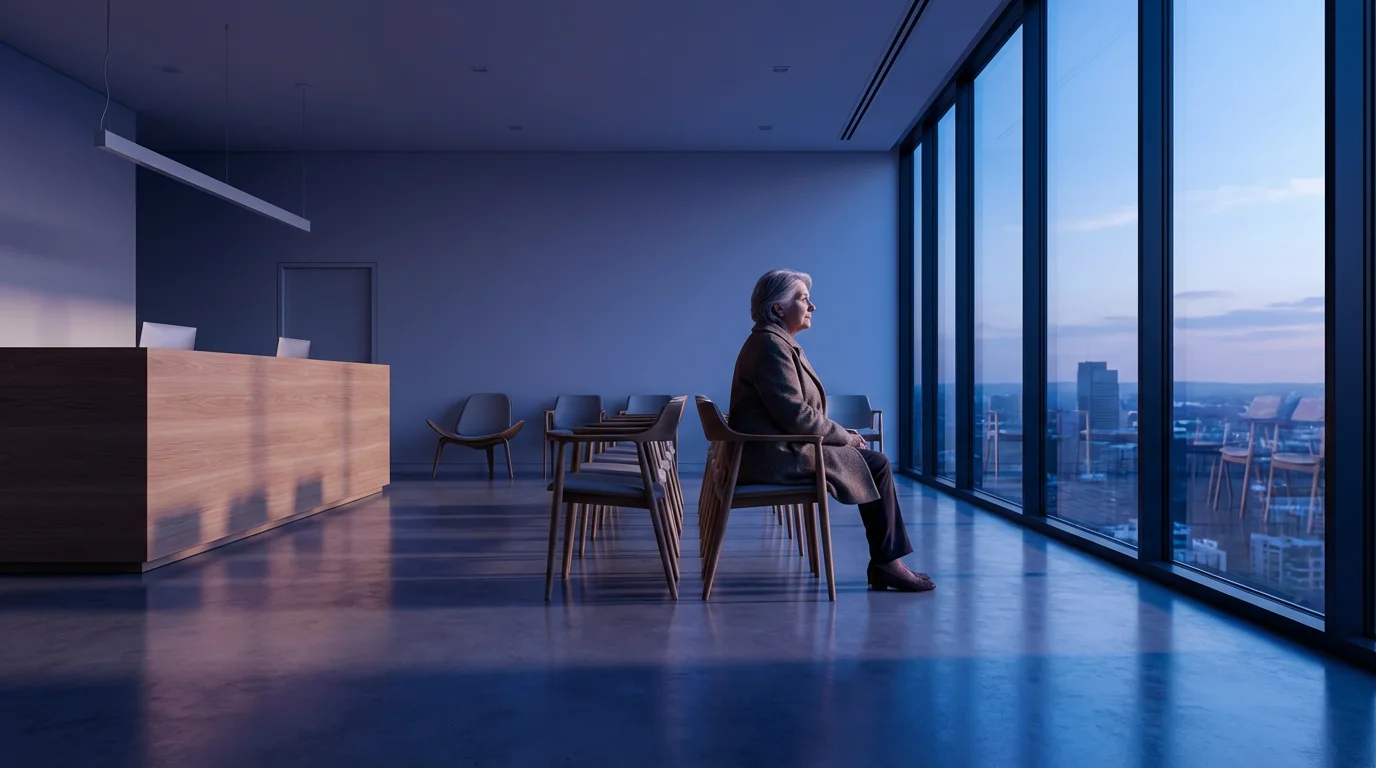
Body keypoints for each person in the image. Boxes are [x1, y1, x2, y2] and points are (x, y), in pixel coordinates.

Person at [728, 268, 934, 592]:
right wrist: (846, 436)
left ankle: (888, 563)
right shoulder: (771, 347)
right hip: (777, 457)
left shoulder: (774, 343)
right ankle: (888, 564)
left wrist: (842, 434)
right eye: (803, 299)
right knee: (876, 464)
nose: (812, 307)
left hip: (778, 450)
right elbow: (796, 415)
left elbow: (796, 412)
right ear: (779, 308)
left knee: (871, 461)